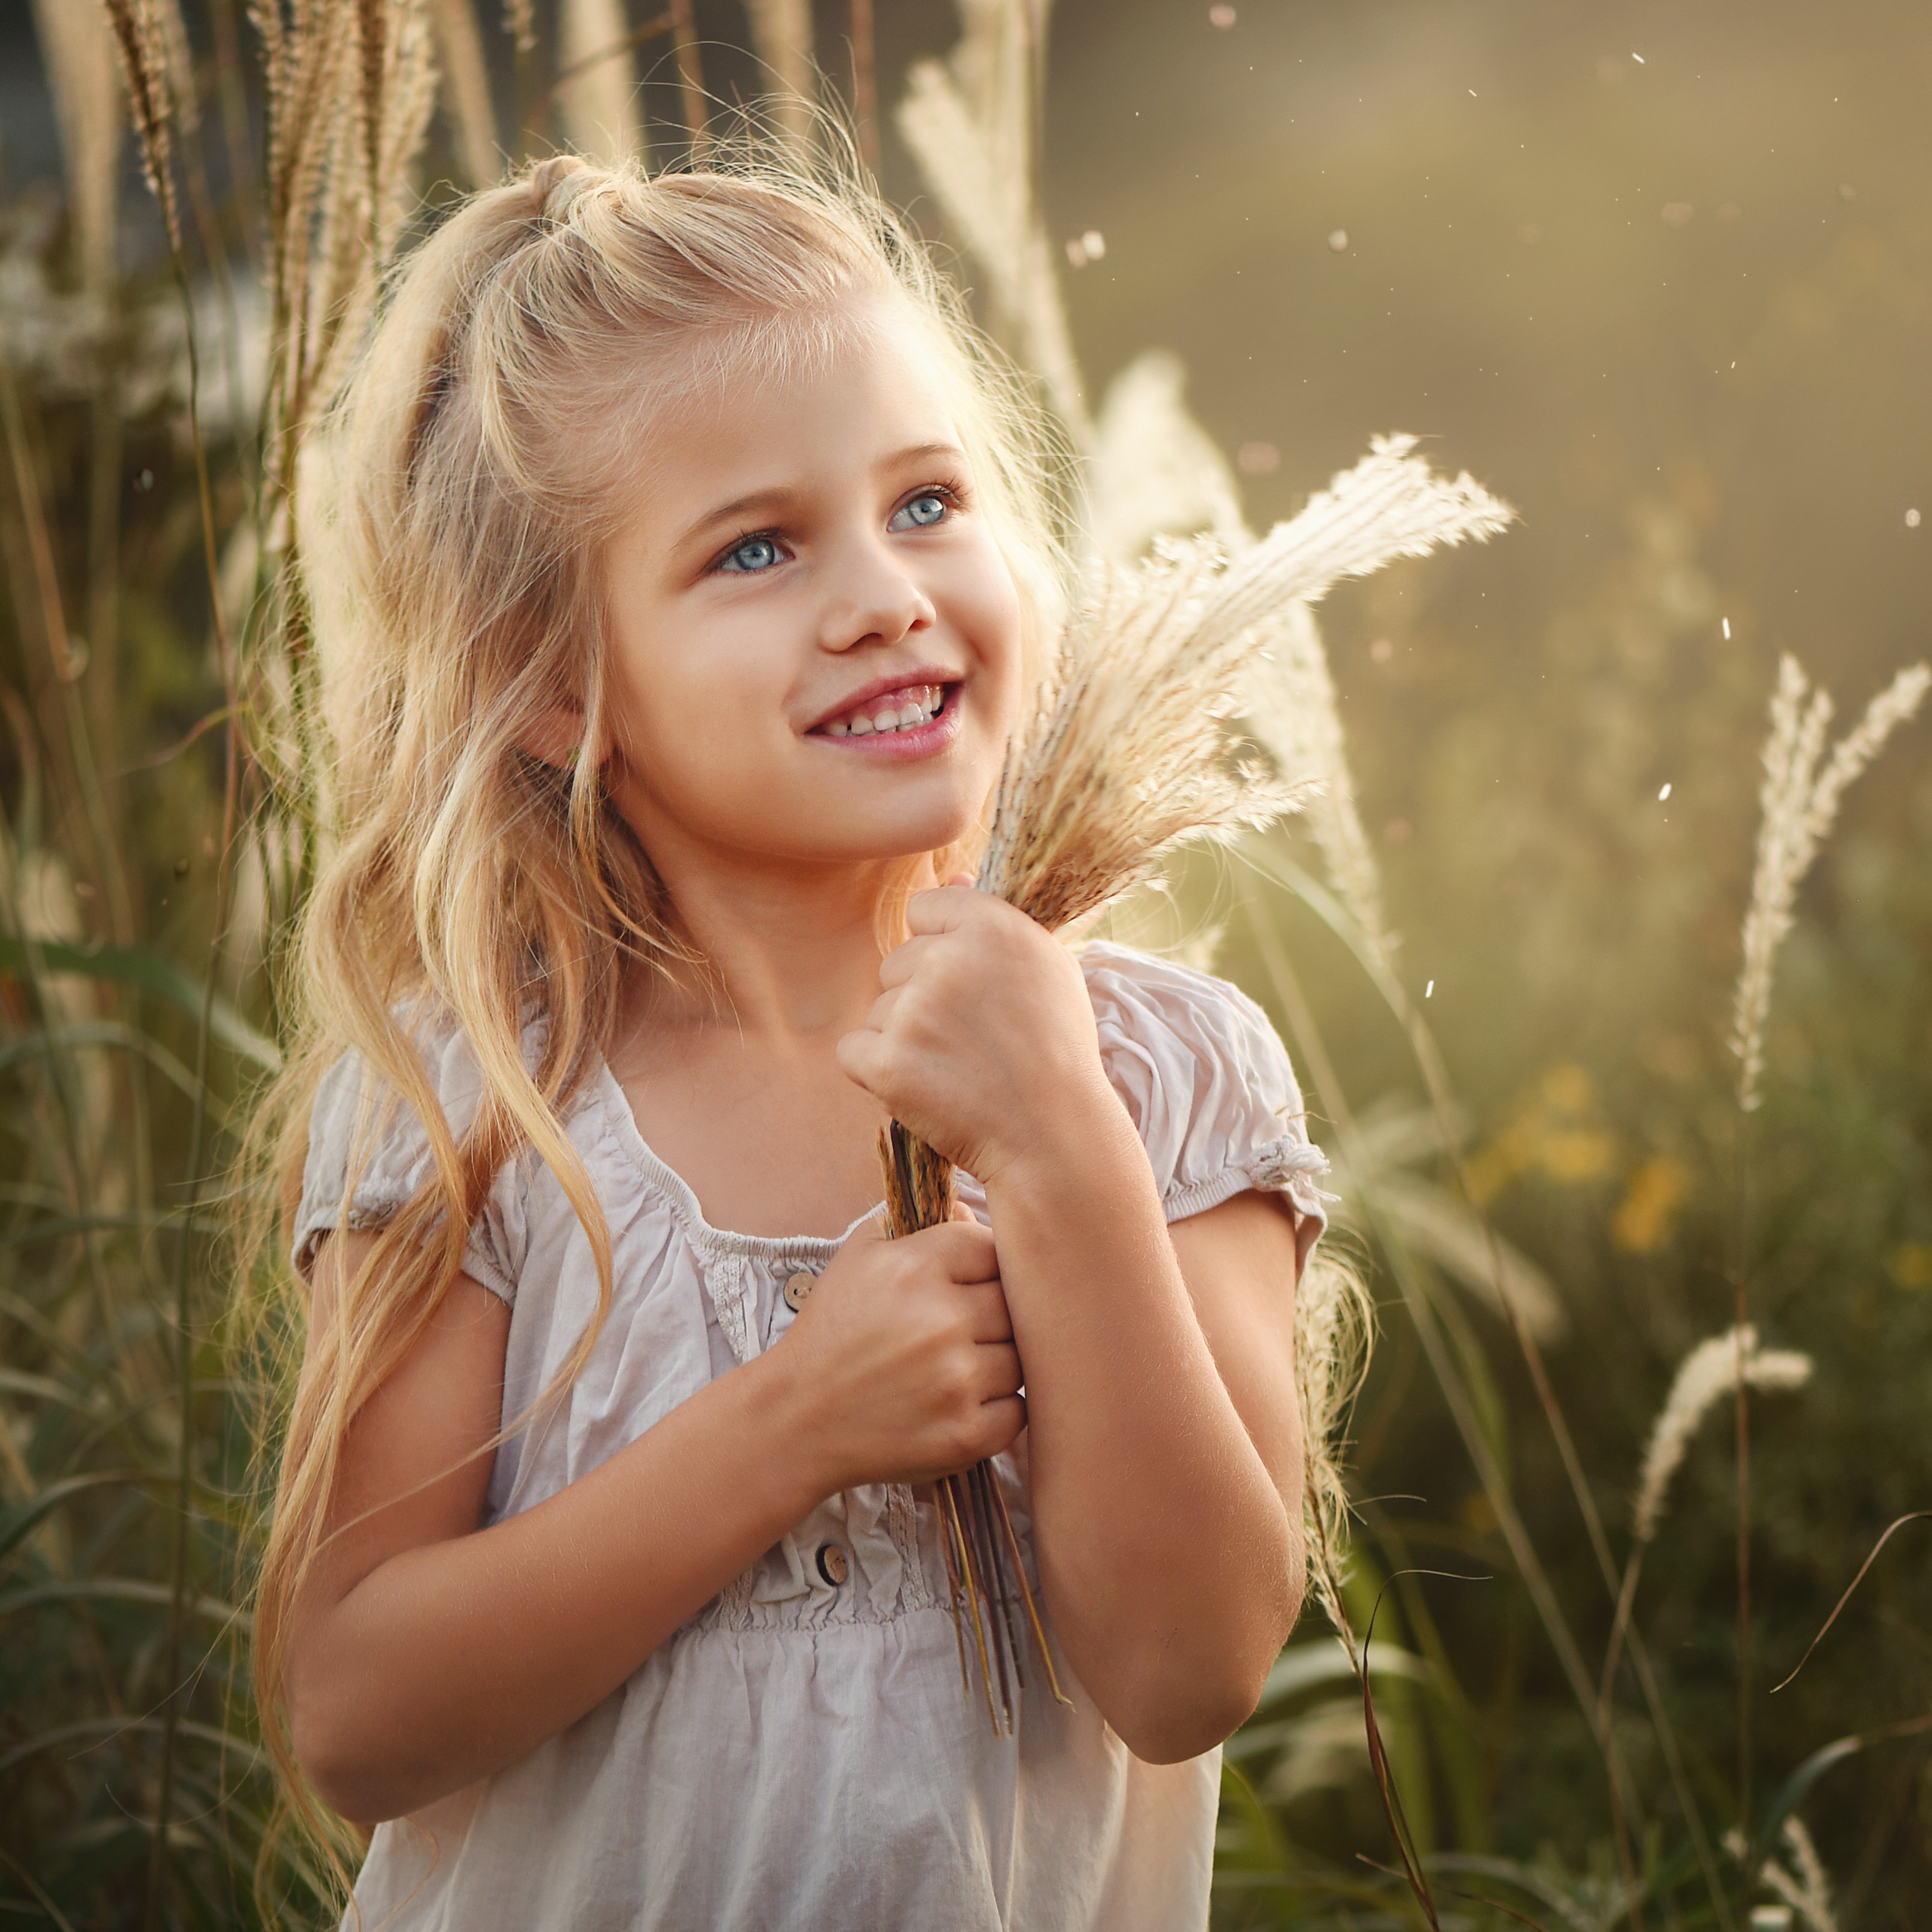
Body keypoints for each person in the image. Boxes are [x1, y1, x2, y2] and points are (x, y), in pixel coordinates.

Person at [254, 147, 1335, 1931]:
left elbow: (1189, 1665)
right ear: (556, 684)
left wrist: (1059, 1143)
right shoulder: (482, 1110)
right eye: (758, 545)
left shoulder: (1158, 1075)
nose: (885, 594)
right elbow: (358, 1714)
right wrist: (791, 1425)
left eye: (926, 504)